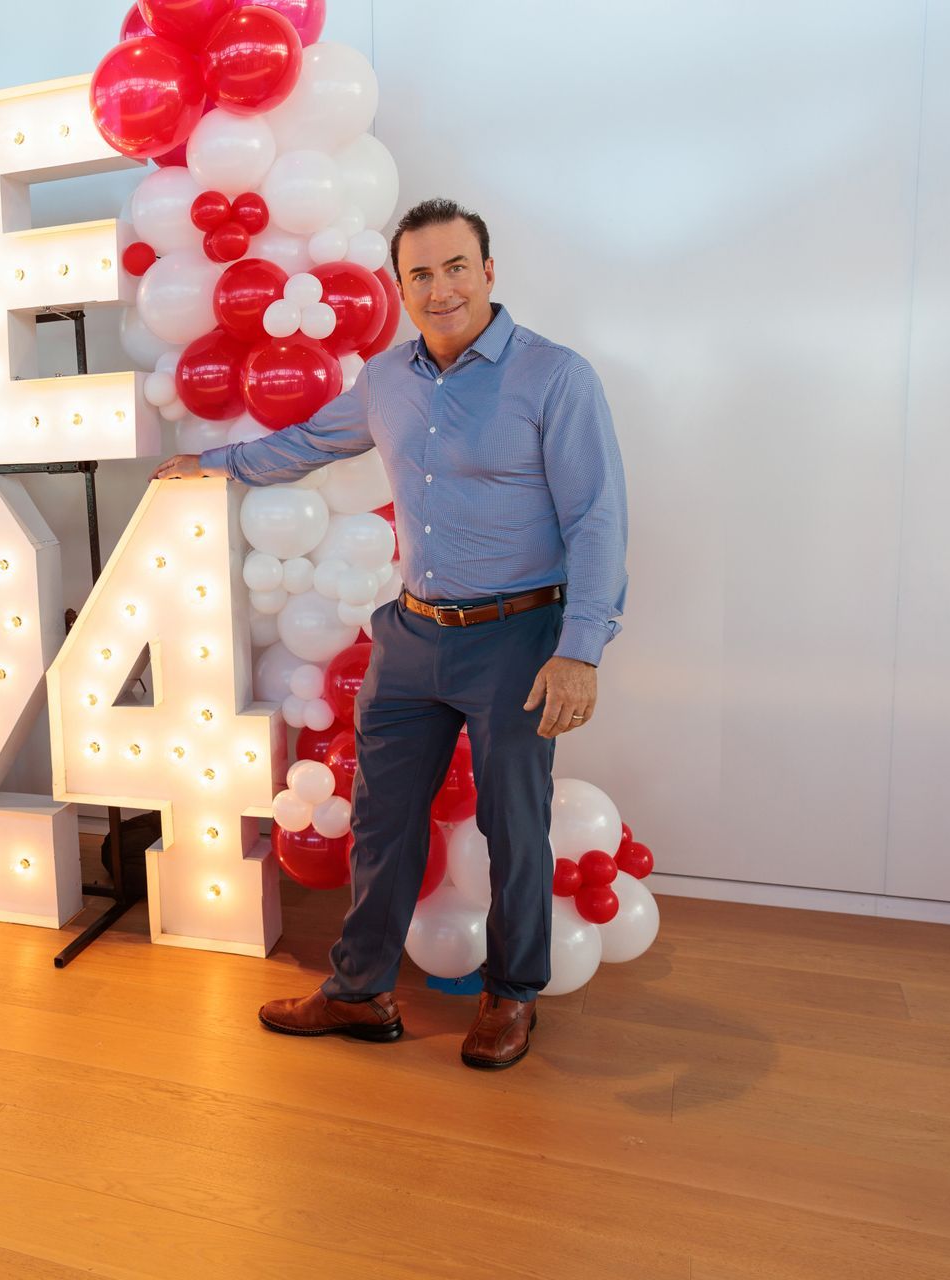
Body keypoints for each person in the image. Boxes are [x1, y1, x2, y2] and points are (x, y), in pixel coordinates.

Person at [153, 198, 628, 1070]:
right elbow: (303, 444)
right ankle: (360, 991)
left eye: (456, 268)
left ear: (489, 273)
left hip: (521, 638)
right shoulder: (385, 381)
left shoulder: (556, 378)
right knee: (381, 820)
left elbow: (597, 521)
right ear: (400, 287)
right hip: (411, 636)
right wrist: (212, 464)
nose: (439, 288)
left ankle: (513, 994)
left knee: (514, 824)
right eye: (420, 274)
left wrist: (581, 650)